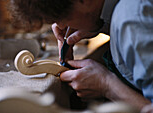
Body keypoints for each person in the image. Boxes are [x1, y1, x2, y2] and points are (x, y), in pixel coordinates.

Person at [10, 0, 153, 111]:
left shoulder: (131, 23)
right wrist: (101, 25)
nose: (60, 26)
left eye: (62, 17)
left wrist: (107, 85)